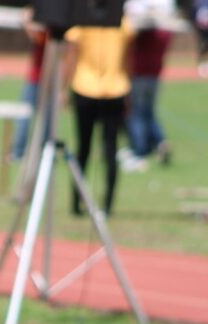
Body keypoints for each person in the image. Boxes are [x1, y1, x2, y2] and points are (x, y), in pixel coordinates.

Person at [63, 19, 135, 216]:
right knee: (110, 148)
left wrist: (63, 87)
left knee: (84, 148)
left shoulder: (82, 22)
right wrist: (129, 90)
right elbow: (128, 60)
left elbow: (71, 56)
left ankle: (77, 203)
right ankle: (108, 205)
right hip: (115, 89)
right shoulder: (122, 22)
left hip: (85, 88)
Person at [126, 14, 173, 168]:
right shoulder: (163, 36)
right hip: (154, 77)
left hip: (139, 77)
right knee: (149, 112)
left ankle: (140, 151)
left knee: (137, 114)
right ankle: (160, 141)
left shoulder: (139, 37)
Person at [12, 9, 50, 161]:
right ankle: (20, 151)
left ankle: (42, 151)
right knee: (27, 116)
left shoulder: (50, 32)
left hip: (44, 79)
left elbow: (35, 35)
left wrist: (27, 21)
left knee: (42, 119)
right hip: (36, 78)